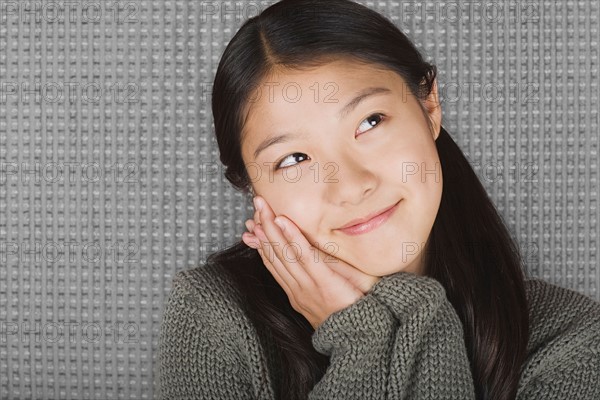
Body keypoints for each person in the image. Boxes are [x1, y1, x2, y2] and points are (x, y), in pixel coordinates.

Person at [157, 0, 600, 399]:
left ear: (429, 107)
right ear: (252, 188)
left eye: (370, 122)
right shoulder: (214, 320)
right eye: (294, 158)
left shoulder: (571, 340)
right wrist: (363, 337)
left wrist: (411, 319)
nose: (350, 185)